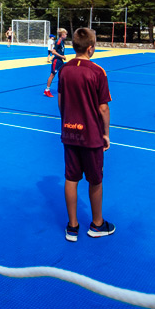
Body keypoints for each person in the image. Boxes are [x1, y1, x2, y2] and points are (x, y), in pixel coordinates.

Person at [58, 27, 114, 242]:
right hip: (91, 135)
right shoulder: (98, 71)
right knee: (95, 180)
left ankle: (72, 226)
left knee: (71, 178)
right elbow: (103, 108)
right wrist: (106, 133)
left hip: (70, 133)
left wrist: (66, 123)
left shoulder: (65, 70)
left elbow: (61, 101)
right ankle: (97, 224)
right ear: (91, 48)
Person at [44, 28, 69, 98]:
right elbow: (53, 51)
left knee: (63, 73)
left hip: (60, 61)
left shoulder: (62, 41)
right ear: (63, 34)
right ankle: (47, 90)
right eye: (66, 34)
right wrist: (62, 56)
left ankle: (62, 88)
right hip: (57, 61)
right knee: (52, 74)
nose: (66, 35)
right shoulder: (58, 41)